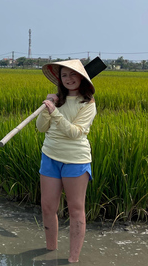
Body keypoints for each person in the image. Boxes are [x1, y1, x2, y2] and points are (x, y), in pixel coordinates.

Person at [36, 59, 97, 263]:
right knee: (47, 207)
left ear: (81, 77)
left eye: (73, 75)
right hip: (50, 156)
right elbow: (41, 128)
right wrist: (47, 107)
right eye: (64, 75)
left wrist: (55, 112)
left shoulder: (87, 103)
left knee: (76, 209)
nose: (68, 79)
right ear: (59, 79)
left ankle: (73, 258)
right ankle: (50, 249)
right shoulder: (56, 101)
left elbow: (75, 133)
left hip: (75, 160)